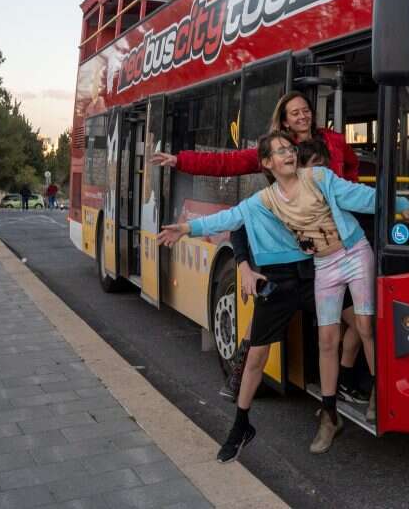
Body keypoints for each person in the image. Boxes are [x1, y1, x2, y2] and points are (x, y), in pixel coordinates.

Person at [158, 132, 409, 461]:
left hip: (354, 253)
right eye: (280, 151)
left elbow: (361, 196)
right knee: (325, 339)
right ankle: (324, 416)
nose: (288, 154)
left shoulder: (319, 177)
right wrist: (186, 229)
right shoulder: (265, 200)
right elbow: (230, 219)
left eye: (290, 148)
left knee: (364, 324)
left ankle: (381, 396)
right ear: (267, 163)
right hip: (323, 266)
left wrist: (403, 206)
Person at [150, 90, 367, 403]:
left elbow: (351, 166)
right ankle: (240, 372)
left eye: (305, 110)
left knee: (360, 318)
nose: (303, 116)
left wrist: (348, 198)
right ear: (284, 120)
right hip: (289, 243)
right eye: (295, 113)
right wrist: (181, 160)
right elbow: (226, 163)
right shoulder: (277, 150)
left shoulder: (332, 141)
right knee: (266, 315)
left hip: (330, 244)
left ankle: (344, 380)